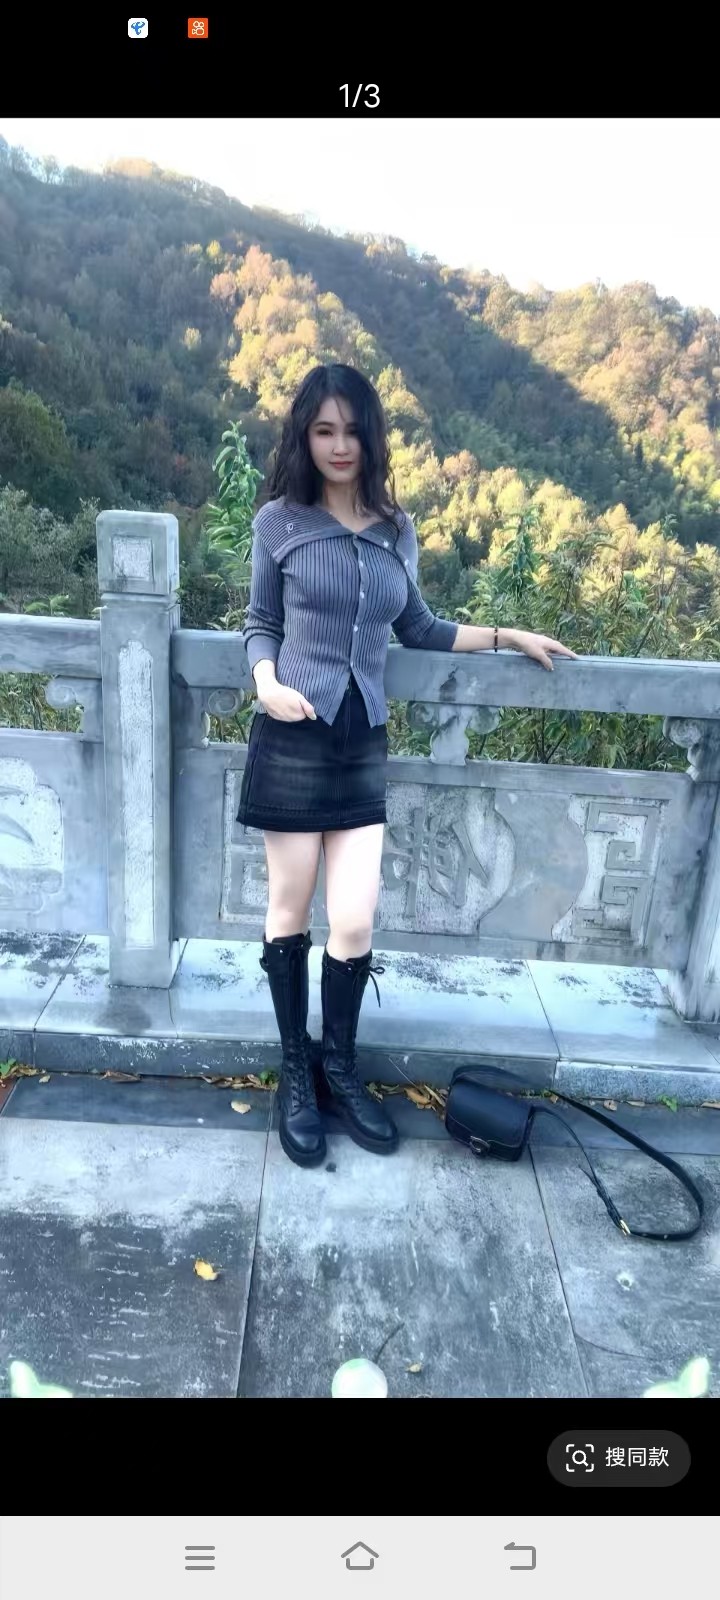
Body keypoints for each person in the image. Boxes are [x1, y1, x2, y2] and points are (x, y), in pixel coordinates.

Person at [238, 364, 577, 1169]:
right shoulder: (279, 523)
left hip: (362, 743)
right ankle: (297, 1073)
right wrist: (266, 683)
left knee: (354, 920)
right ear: (304, 437)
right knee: (289, 912)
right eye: (324, 430)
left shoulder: (396, 529)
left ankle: (340, 1067)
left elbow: (419, 627)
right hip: (293, 737)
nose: (339, 446)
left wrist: (506, 635)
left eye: (352, 430)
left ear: (371, 437)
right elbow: (259, 620)